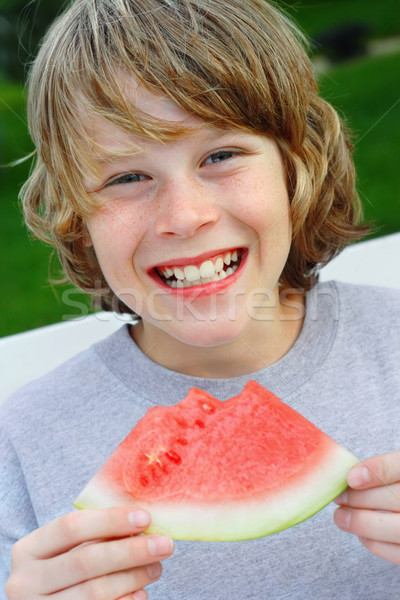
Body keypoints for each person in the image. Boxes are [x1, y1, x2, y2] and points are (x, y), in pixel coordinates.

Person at [1, 0, 400, 598]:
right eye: (126, 177)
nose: (185, 217)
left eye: (220, 156)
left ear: (296, 166)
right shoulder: (22, 448)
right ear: (75, 216)